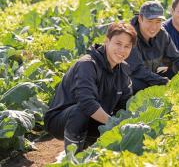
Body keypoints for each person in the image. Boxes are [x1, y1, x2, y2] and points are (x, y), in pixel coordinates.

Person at [44, 22, 137, 154]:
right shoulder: (87, 64)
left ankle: (89, 151)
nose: (122, 50)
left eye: (127, 46)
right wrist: (113, 123)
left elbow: (125, 106)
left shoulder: (123, 71)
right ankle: (73, 158)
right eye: (118, 43)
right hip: (60, 119)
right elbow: (86, 103)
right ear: (107, 41)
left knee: (112, 121)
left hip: (94, 118)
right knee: (82, 110)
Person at [126, 1, 179, 94]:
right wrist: (163, 81)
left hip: (151, 75)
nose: (154, 27)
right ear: (140, 18)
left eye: (158, 21)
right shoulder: (129, 36)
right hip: (130, 78)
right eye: (150, 21)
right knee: (137, 85)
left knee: (177, 72)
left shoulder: (162, 34)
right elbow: (137, 70)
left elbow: (176, 58)